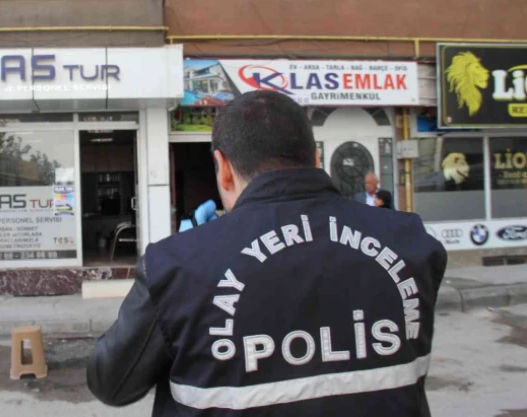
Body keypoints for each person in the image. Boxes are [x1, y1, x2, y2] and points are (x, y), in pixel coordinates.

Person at [87, 90, 447, 417]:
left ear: (223, 169)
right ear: (316, 158)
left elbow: (111, 384)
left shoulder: (175, 265)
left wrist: (189, 265)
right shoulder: (411, 242)